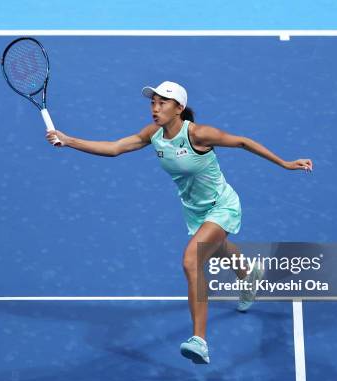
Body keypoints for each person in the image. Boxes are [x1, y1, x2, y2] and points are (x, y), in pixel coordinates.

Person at [46, 81, 313, 364]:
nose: (155, 108)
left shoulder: (199, 134)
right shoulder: (154, 134)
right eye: (153, 103)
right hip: (195, 210)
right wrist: (70, 140)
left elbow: (243, 142)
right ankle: (249, 275)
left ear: (179, 109)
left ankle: (200, 341)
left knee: (191, 260)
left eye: (163, 103)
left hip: (221, 206)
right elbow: (115, 148)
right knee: (218, 246)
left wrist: (285, 163)